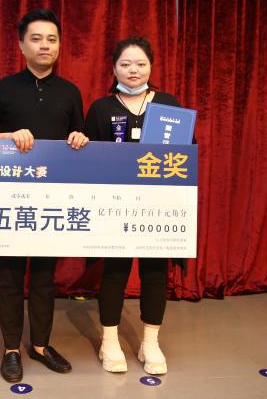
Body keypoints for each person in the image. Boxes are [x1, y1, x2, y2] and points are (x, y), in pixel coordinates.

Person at [0, 9, 89, 383]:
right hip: (11, 198)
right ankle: (11, 349)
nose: (45, 45)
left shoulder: (70, 92)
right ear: (22, 45)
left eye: (52, 39)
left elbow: (78, 138)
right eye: (36, 38)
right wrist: (9, 136)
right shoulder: (3, 88)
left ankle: (40, 345)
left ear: (59, 46)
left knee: (44, 275)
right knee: (10, 275)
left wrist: (80, 138)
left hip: (52, 199)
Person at [84, 36, 181, 375]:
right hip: (116, 206)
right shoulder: (101, 108)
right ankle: (109, 341)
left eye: (141, 63)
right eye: (125, 64)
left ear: (151, 67)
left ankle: (149, 342)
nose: (133, 70)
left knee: (155, 273)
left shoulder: (168, 106)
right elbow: (89, 156)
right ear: (114, 69)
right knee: (115, 271)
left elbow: (186, 154)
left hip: (158, 207)